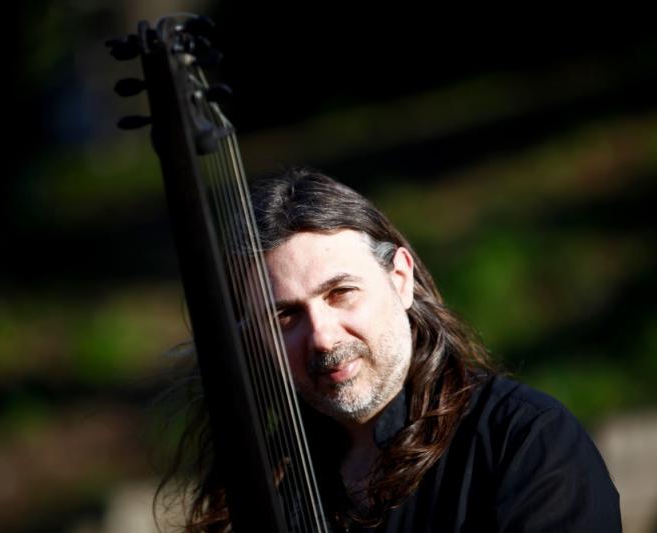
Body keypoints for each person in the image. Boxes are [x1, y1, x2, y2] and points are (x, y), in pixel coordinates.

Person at [159, 168, 621, 532]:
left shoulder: (527, 442)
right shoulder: (269, 486)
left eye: (341, 293)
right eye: (285, 316)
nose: (322, 336)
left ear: (400, 279)